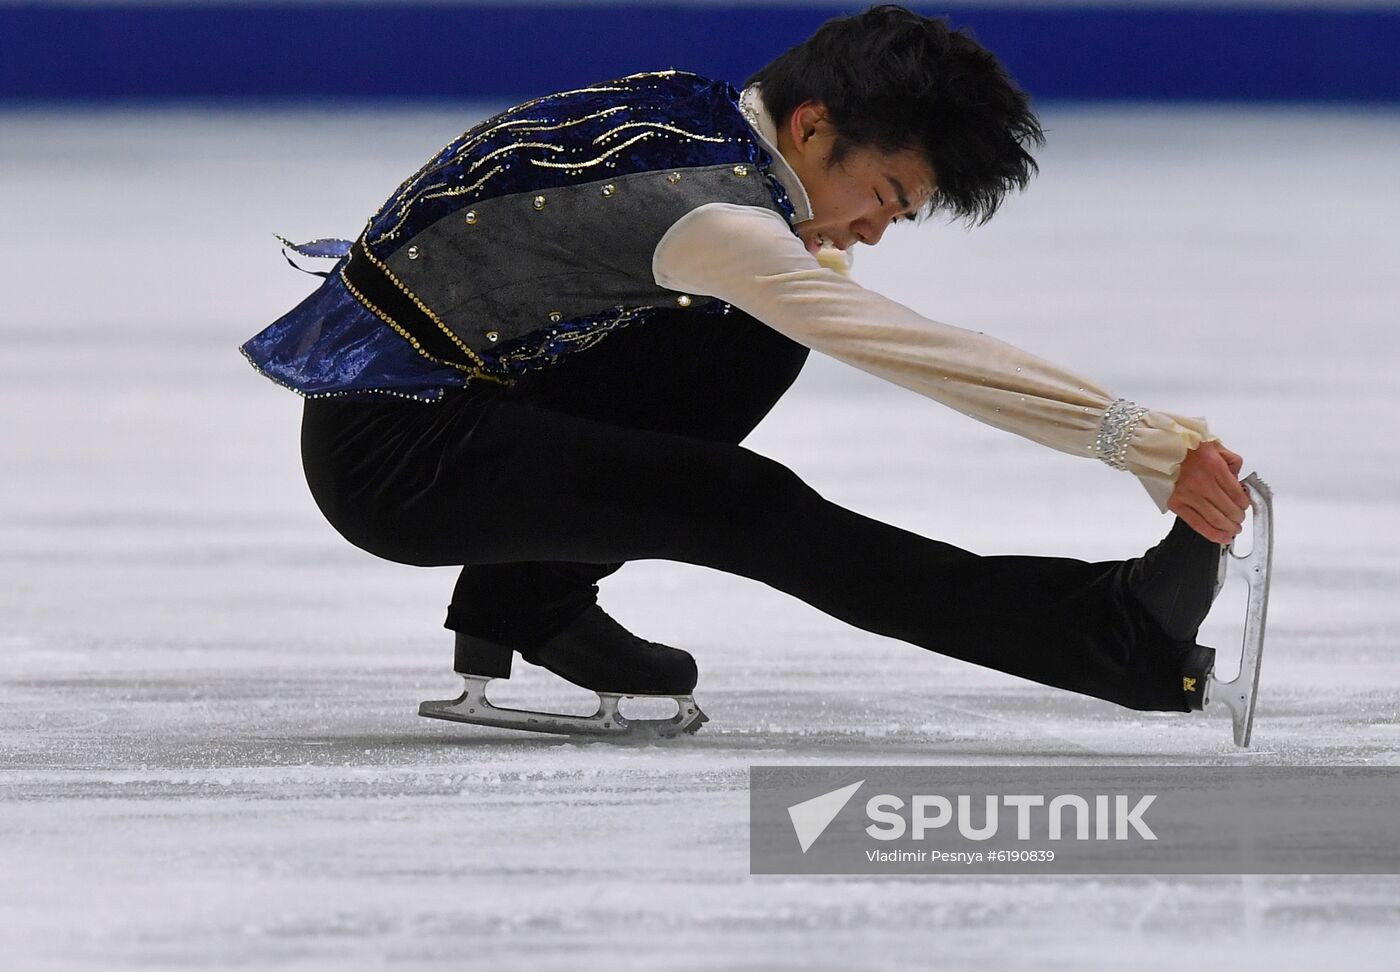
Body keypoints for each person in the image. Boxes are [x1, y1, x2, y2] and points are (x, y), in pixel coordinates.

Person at [241, 4, 1255, 735]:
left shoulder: (708, 115)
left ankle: (525, 605)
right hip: (396, 459)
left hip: (449, 394)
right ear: (812, 125)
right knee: (746, 503)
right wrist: (1139, 438)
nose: (876, 228)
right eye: (885, 194)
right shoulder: (717, 216)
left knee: (759, 326)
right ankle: (1116, 633)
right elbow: (911, 349)